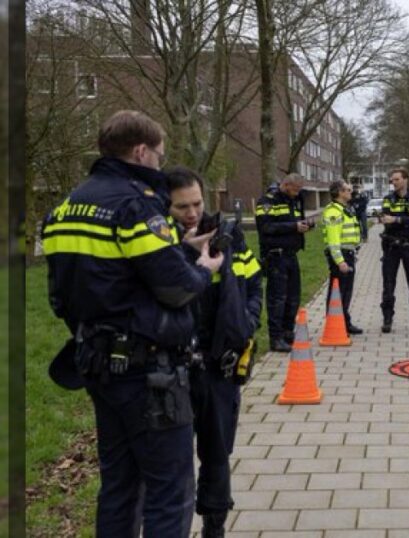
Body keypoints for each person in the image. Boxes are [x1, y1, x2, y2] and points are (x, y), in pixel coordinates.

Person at [42, 110, 223, 537]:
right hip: (149, 373)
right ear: (141, 151)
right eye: (159, 155)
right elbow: (176, 288)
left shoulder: (67, 207)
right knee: (169, 491)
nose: (160, 163)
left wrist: (179, 248)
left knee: (119, 487)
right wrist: (203, 268)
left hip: (97, 363)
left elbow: (71, 291)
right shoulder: (135, 205)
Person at [166, 167, 262, 538]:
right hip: (173, 367)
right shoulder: (158, 242)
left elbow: (253, 283)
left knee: (217, 454)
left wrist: (247, 322)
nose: (192, 213)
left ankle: (215, 526)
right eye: (181, 207)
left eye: (197, 203)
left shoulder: (228, 235)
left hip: (219, 365)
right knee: (172, 460)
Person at [255, 173, 311, 352]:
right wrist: (294, 227)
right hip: (275, 256)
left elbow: (293, 221)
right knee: (277, 299)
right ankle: (275, 338)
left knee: (293, 297)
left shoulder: (293, 201)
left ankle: (288, 332)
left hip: (291, 254)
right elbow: (266, 227)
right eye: (295, 189)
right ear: (286, 185)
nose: (297, 193)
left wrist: (305, 225)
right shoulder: (267, 201)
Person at [379, 167, 409, 333]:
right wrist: (405, 219)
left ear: (405, 180)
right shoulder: (388, 199)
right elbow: (385, 219)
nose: (394, 182)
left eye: (397, 179)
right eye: (392, 180)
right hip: (391, 247)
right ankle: (387, 320)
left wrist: (396, 219)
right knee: (388, 285)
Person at [322, 180, 363, 334]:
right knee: (338, 292)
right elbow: (333, 241)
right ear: (340, 192)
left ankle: (344, 322)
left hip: (348, 254)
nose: (350, 192)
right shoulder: (334, 212)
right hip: (341, 256)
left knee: (346, 292)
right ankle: (334, 326)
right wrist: (340, 261)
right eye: (347, 190)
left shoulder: (345, 209)